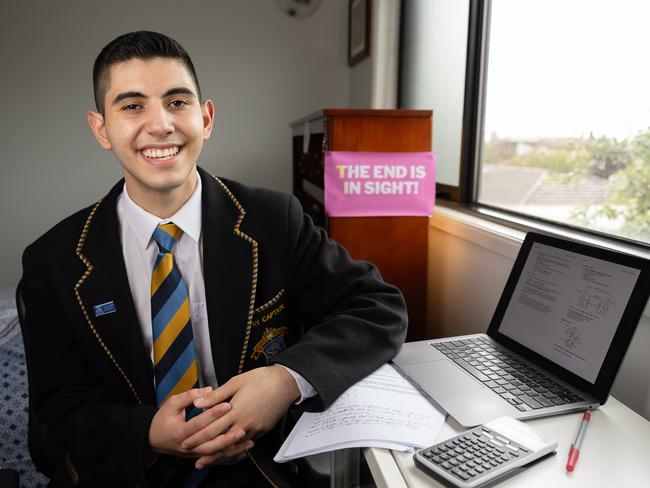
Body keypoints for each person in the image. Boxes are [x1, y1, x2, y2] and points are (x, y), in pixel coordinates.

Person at [20, 31, 407, 487]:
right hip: (126, 472)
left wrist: (286, 379)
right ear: (101, 128)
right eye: (132, 106)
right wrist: (147, 432)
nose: (160, 124)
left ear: (206, 118)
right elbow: (60, 404)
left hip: (255, 470)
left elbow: (376, 307)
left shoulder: (274, 220)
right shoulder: (54, 260)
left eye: (177, 102)